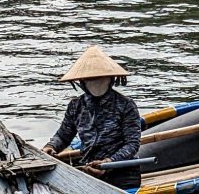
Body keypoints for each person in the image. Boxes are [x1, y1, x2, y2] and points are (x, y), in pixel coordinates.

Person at [41, 46, 141, 190]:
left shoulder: (126, 105)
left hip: (123, 173)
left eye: (100, 78)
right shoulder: (76, 106)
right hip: (88, 171)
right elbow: (64, 134)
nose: (96, 83)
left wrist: (109, 163)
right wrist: (51, 146)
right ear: (82, 82)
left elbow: (132, 144)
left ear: (111, 79)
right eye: (90, 79)